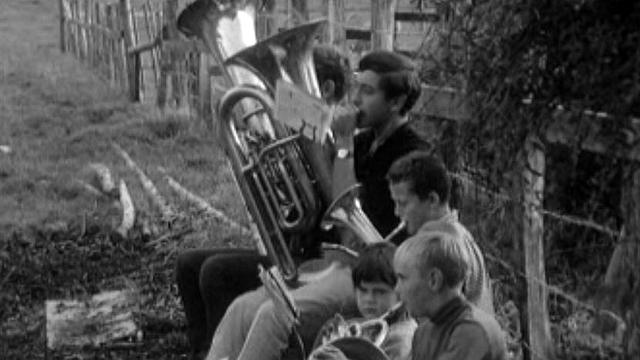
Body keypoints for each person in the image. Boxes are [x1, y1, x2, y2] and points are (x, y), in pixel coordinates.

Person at [205, 50, 429, 360]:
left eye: (368, 91)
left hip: (372, 276)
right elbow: (298, 117)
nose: (356, 99)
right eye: (356, 88)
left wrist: (344, 146)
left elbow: (350, 218)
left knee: (273, 313)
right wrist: (238, 113)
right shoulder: (366, 141)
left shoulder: (411, 154)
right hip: (334, 264)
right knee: (241, 309)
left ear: (396, 102)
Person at [176, 44, 353, 360]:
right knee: (188, 264)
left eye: (290, 81)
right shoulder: (306, 125)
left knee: (215, 272)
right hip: (295, 250)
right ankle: (205, 352)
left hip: (316, 261)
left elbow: (335, 204)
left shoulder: (333, 131)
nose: (285, 92)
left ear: (323, 88)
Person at [394, 233, 507, 360]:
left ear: (434, 280)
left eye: (402, 278)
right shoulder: (423, 333)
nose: (397, 289)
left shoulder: (472, 332)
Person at [310, 242, 417, 360]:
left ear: (400, 292)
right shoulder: (356, 325)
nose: (369, 299)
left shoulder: (401, 340)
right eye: (363, 290)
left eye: (380, 292)